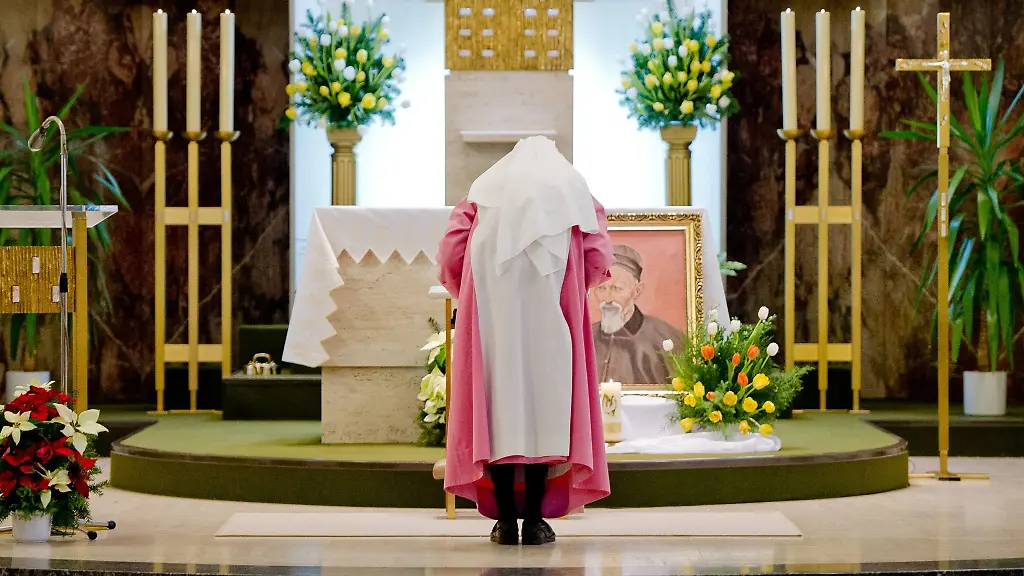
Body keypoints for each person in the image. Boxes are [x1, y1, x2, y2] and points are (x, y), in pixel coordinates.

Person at [436, 136, 614, 546]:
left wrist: (466, 289)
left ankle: (504, 522)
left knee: (498, 411)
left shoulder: (481, 195)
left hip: (493, 324)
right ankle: (534, 520)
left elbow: (449, 253)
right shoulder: (574, 194)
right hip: (554, 323)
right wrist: (571, 290)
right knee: (545, 410)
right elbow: (600, 255)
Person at [591, 245, 683, 385]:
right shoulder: (584, 338)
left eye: (617, 289)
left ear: (637, 290)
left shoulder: (666, 340)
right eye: (601, 288)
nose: (608, 298)